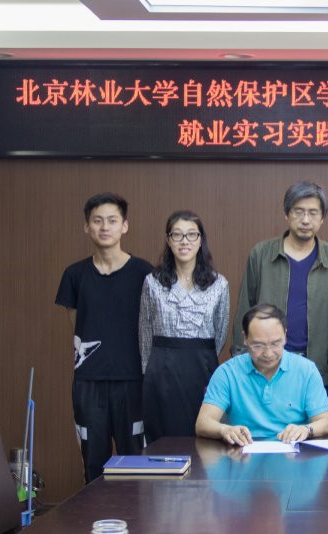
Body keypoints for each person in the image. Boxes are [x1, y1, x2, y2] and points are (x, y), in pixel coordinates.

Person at [55, 192, 153, 483]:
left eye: (112, 220)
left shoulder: (145, 273)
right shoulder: (75, 274)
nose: (105, 227)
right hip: (89, 382)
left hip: (134, 380)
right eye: (97, 221)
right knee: (93, 464)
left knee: (136, 463)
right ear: (87, 226)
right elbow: (75, 324)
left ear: (125, 226)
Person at [232, 181, 328, 405]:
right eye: (298, 211)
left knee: (315, 425)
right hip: (266, 365)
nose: (305, 220)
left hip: (319, 370)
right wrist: (241, 361)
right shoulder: (261, 254)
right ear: (286, 214)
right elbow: (245, 310)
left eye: (313, 213)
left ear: (322, 218)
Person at [139, 210, 229, 443]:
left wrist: (202, 356)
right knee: (163, 438)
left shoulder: (219, 284)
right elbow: (145, 331)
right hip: (162, 368)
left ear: (201, 240)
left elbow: (220, 332)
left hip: (202, 366)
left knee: (203, 437)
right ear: (168, 240)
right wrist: (149, 370)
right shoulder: (153, 282)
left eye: (191, 235)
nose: (184, 241)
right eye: (177, 235)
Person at [196, 304, 328, 445]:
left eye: (275, 344)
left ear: (285, 336)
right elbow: (203, 423)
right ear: (245, 338)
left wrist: (306, 429)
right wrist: (225, 430)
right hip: (243, 452)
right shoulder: (227, 372)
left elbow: (327, 423)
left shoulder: (306, 370)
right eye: (258, 345)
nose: (268, 354)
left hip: (292, 451)